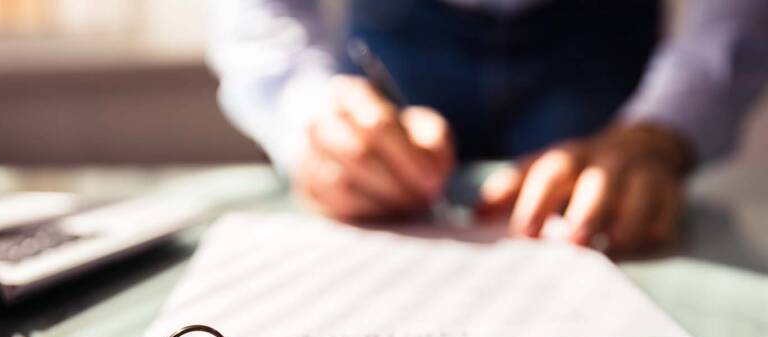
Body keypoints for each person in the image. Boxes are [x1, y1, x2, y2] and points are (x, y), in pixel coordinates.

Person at [208, 0, 768, 252]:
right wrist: (310, 118)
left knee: (603, 243)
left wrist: (660, 132)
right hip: (395, 37)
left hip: (596, 43)